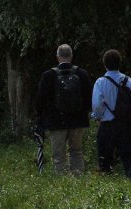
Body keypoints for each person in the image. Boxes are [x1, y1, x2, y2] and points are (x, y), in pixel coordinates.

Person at [34, 44, 92, 175]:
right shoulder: (82, 74)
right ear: (71, 56)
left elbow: (40, 100)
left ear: (57, 57)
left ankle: (62, 182)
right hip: (78, 120)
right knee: (76, 151)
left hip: (56, 121)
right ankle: (78, 180)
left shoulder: (48, 75)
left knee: (59, 155)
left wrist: (39, 117)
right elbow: (89, 98)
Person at [92, 49, 131, 178]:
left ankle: (106, 187)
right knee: (129, 158)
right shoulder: (128, 81)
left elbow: (97, 106)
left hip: (107, 126)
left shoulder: (100, 82)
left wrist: (98, 117)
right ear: (120, 63)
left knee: (104, 160)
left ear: (104, 64)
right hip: (126, 125)